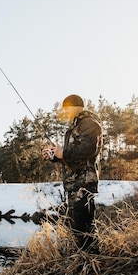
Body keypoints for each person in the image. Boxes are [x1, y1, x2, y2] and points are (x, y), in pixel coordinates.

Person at [43, 94, 103, 251]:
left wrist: (64, 153)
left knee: (85, 226)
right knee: (75, 227)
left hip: (84, 183)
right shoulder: (73, 128)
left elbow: (88, 149)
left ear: (77, 106)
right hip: (73, 185)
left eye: (66, 109)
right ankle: (81, 262)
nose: (64, 112)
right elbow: (70, 156)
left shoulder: (89, 123)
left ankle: (93, 262)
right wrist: (54, 156)